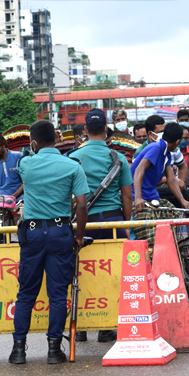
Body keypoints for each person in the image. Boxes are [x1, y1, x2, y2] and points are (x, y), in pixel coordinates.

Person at [9, 120, 89, 365]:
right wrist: (78, 236)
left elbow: (22, 161)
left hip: (32, 234)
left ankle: (19, 351)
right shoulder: (72, 165)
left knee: (26, 294)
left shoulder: (26, 164)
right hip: (60, 233)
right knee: (57, 295)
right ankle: (54, 350)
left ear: (33, 143)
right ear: (56, 139)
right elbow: (82, 204)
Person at [69, 109, 132, 344]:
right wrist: (126, 225)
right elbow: (127, 196)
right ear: (107, 129)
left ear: (85, 130)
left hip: (83, 224)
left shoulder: (74, 157)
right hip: (113, 222)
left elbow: (69, 197)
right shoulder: (118, 158)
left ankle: (82, 325)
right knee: (112, 272)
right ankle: (106, 327)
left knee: (82, 271)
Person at [130, 122, 189, 249]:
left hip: (152, 195)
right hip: (137, 197)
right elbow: (139, 170)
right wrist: (137, 198)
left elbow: (171, 179)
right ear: (177, 141)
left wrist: (183, 200)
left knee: (173, 215)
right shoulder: (156, 148)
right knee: (153, 239)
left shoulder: (167, 153)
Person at [0, 133, 24, 201]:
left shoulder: (18, 156)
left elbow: (26, 182)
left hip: (21, 199)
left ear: (3, 145)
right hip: (3, 200)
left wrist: (13, 197)